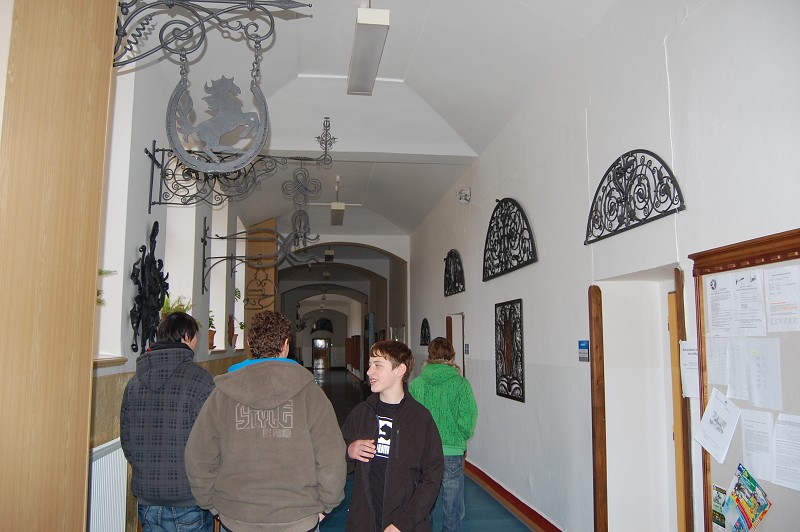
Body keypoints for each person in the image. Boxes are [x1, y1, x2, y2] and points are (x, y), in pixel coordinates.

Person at [185, 310, 346, 532]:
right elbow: (331, 455)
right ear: (286, 344)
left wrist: (211, 504)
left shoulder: (222, 395)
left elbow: (198, 454)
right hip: (298, 517)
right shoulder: (311, 394)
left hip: (237, 518)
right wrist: (327, 504)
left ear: (250, 344)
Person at [120, 311, 216, 532]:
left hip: (147, 499)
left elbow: (127, 441)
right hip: (189, 498)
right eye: (196, 337)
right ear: (187, 337)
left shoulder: (133, 383)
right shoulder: (201, 381)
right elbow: (210, 442)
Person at [342, 340, 444, 532]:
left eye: (378, 365)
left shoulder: (420, 419)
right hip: (364, 522)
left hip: (405, 524)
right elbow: (335, 464)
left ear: (400, 370)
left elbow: (432, 477)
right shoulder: (361, 414)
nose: (369, 372)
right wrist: (348, 451)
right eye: (370, 365)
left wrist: (403, 523)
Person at [409, 337, 478, 532]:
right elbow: (468, 419)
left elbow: (410, 420)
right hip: (451, 452)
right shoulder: (461, 384)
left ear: (430, 355)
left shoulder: (416, 385)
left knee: (424, 504)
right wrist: (459, 437)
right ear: (452, 356)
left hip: (424, 453)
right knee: (453, 507)